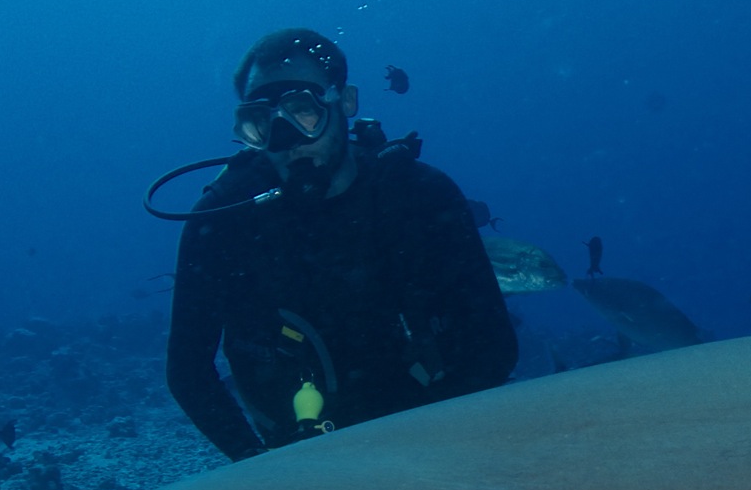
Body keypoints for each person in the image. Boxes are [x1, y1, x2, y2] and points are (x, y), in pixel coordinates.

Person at [166, 29, 517, 459]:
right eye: (263, 122)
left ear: (345, 102)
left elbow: (496, 345)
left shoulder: (422, 196)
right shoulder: (222, 222)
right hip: (295, 458)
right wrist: (255, 467)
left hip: (436, 441)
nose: (288, 139)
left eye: (302, 111)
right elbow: (187, 372)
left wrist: (439, 445)